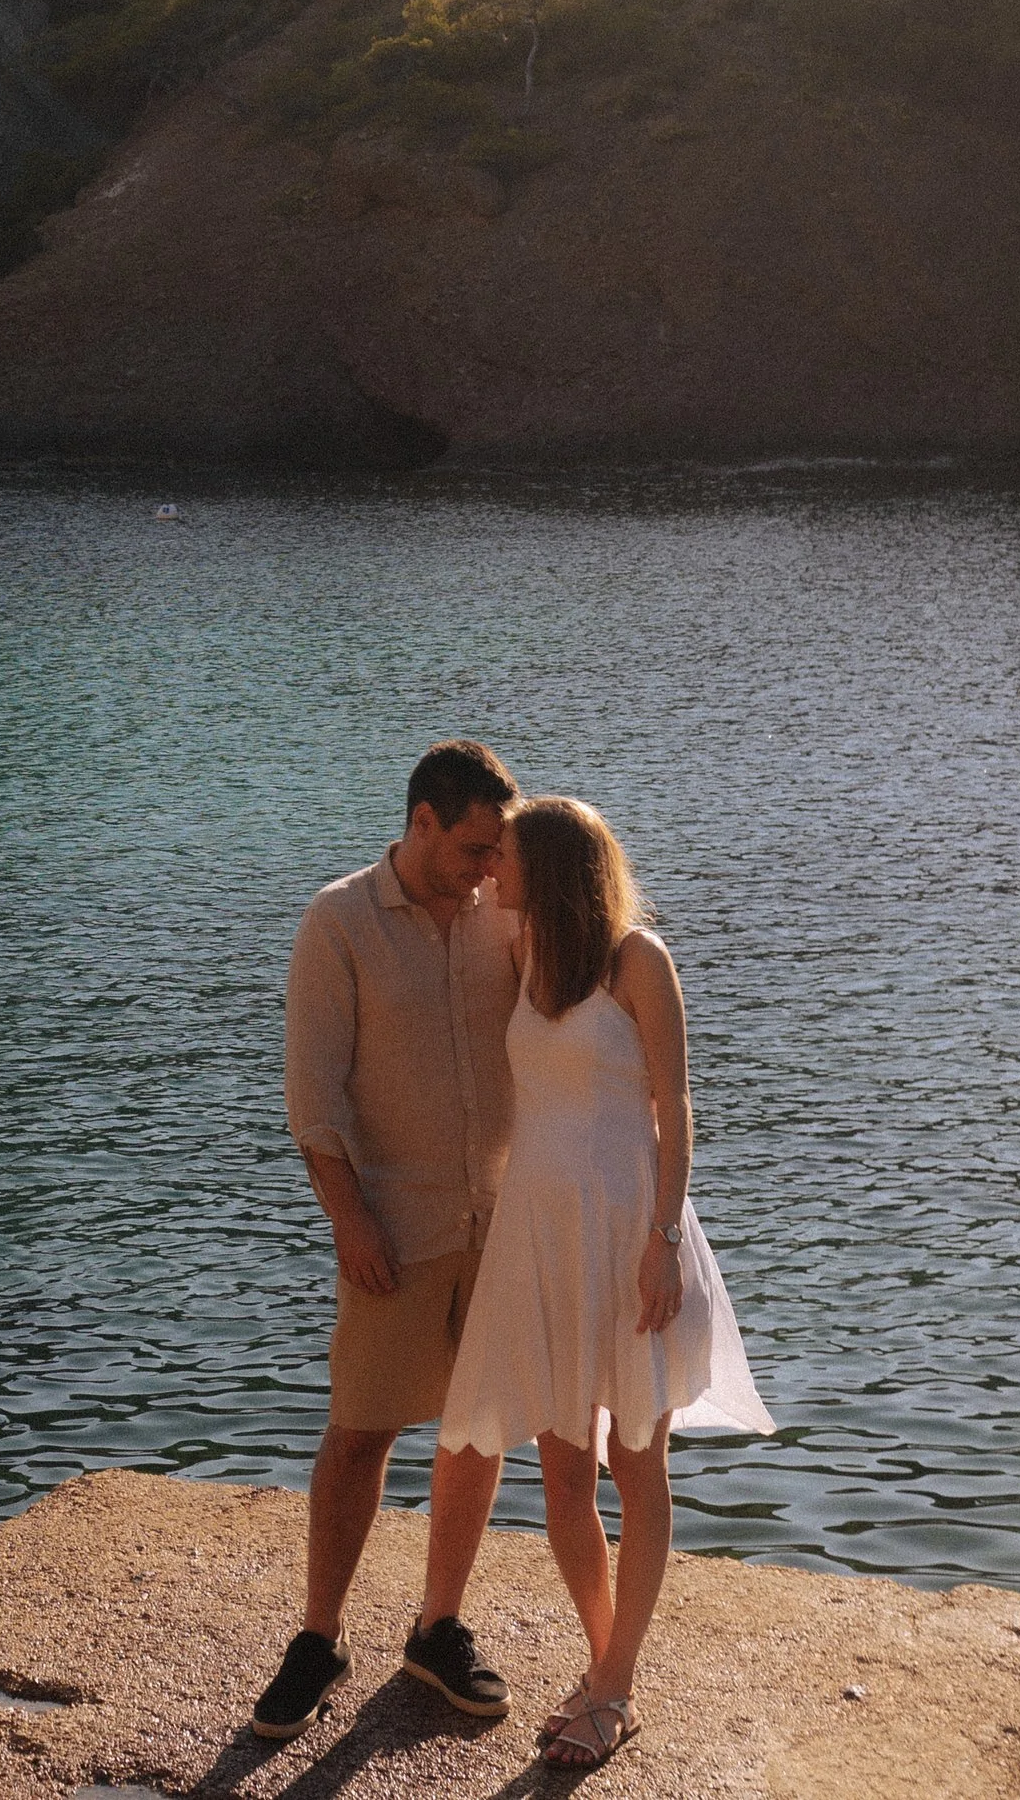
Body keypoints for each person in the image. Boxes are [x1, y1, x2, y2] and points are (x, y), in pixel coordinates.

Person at [418, 795, 772, 1770]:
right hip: (541, 1237)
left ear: (552, 865)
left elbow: (676, 1104)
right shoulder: (524, 948)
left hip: (629, 1233)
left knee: (635, 1461)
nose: (491, 869)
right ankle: (608, 1666)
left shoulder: (636, 959)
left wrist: (664, 1236)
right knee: (565, 1472)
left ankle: (613, 1684)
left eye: (505, 854)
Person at [253, 738, 522, 1744]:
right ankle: (318, 1637)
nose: (489, 866)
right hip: (394, 1230)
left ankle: (437, 1626)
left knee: (478, 1424)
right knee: (361, 1427)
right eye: (474, 846)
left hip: (499, 1222)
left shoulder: (505, 913)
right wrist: (348, 1217)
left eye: (498, 849)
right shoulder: (339, 920)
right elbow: (313, 1093)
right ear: (421, 823)